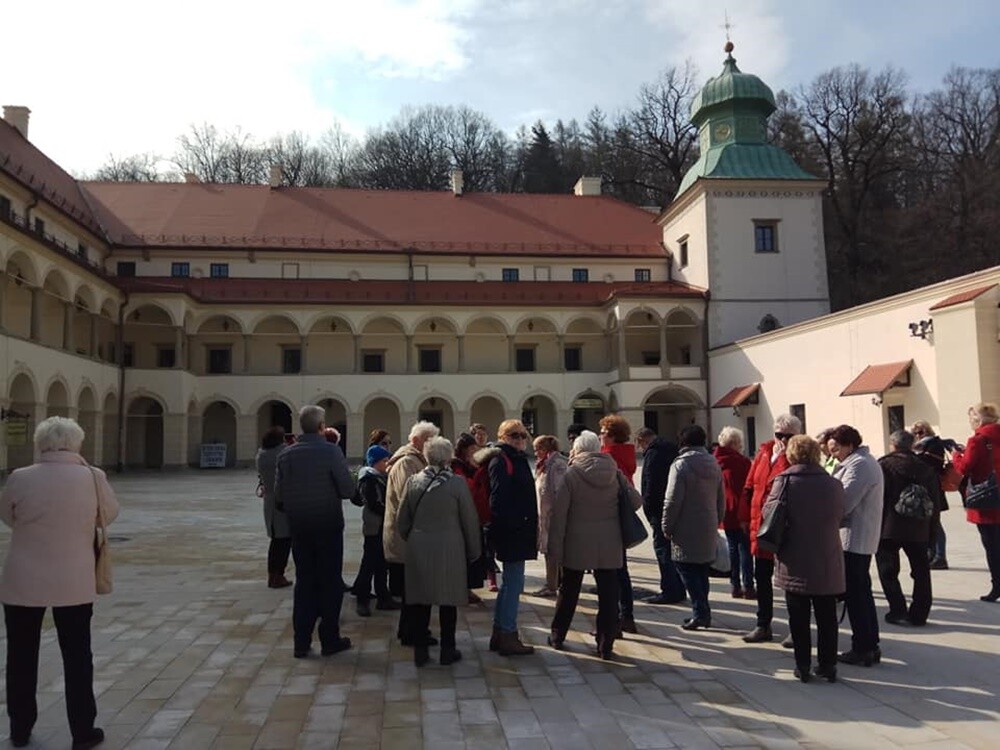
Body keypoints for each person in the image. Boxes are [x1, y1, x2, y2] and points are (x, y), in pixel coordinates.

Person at [0, 416, 119, 750]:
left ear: (41, 444)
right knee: (78, 655)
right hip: (74, 577)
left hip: (22, 578)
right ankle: (83, 731)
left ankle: (20, 728)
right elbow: (108, 515)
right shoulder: (92, 478)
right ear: (76, 443)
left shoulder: (20, 477)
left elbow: (8, 516)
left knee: (21, 655)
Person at [548, 430, 642, 659]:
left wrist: (554, 548)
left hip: (577, 541)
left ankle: (558, 635)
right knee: (609, 594)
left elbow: (559, 515)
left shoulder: (572, 474)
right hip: (610, 542)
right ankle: (605, 644)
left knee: (569, 591)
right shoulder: (614, 471)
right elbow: (636, 501)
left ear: (578, 450)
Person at [275, 405, 355, 659]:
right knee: (330, 582)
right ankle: (329, 639)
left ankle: (301, 642)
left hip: (299, 527)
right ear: (322, 427)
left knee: (305, 582)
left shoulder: (286, 455)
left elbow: (278, 498)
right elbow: (347, 490)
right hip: (328, 526)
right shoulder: (330, 451)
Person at [764, 435, 845, 683]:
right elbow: (841, 514)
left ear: (791, 455)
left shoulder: (785, 481)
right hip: (827, 555)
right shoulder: (833, 483)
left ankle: (803, 665)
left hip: (795, 555)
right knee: (827, 616)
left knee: (798, 616)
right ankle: (828, 664)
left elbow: (769, 512)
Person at [397, 437, 482, 667]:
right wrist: (474, 550)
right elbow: (469, 520)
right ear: (447, 458)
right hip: (450, 547)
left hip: (419, 546)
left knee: (420, 602)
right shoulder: (456, 484)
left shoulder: (414, 482)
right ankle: (448, 650)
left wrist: (415, 536)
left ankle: (421, 652)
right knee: (448, 601)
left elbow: (402, 521)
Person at [742, 413, 803, 643]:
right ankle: (763, 624)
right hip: (761, 525)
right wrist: (744, 517)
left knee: (790, 582)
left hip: (786, 528)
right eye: (780, 435)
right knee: (762, 578)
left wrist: (788, 456)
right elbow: (750, 485)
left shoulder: (798, 456)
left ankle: (796, 629)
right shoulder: (764, 452)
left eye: (789, 436)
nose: (784, 440)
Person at [828, 424, 884, 666]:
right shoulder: (859, 461)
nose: (833, 454)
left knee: (857, 595)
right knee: (861, 593)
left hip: (854, 538)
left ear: (849, 444)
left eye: (836, 449)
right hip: (856, 536)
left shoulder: (859, 465)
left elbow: (845, 502)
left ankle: (863, 647)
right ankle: (869, 644)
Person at [662, 425, 726, 631]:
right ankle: (702, 611)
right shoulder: (713, 462)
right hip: (707, 522)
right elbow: (720, 496)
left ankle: (700, 613)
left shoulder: (680, 465)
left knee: (686, 568)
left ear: (683, 442)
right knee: (701, 569)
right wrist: (717, 518)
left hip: (685, 525)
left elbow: (672, 500)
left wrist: (667, 525)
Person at [876, 430, 942, 627]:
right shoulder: (925, 467)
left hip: (889, 526)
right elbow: (935, 501)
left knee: (888, 570)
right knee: (921, 571)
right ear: (912, 445)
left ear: (893, 445)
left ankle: (897, 609)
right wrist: (932, 531)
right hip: (919, 527)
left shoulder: (884, 465)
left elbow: (878, 498)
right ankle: (920, 613)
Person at [384, 421, 441, 645]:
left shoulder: (415, 460)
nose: (431, 444)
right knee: (416, 589)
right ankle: (412, 632)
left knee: (414, 589)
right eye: (428, 440)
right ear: (416, 440)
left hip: (416, 534)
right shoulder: (406, 462)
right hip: (409, 536)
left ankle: (411, 629)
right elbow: (409, 498)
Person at [487, 419, 538, 656]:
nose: (519, 439)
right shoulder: (502, 460)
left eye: (522, 435)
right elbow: (498, 500)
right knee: (514, 584)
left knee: (510, 584)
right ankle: (508, 633)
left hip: (518, 530)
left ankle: (500, 632)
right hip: (513, 532)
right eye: (513, 435)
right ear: (503, 437)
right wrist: (514, 526)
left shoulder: (514, 459)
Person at [950, 402, 1000, 602]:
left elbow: (964, 467)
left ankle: (997, 585)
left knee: (992, 545)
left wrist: (956, 456)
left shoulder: (978, 440)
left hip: (987, 499)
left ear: (978, 420)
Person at [636, 427, 685, 604]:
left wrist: (648, 509)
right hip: (676, 507)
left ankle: (669, 590)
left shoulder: (653, 454)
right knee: (675, 551)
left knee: (663, 551)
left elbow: (650, 484)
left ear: (643, 440)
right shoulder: (672, 449)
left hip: (658, 509)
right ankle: (679, 589)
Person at [350, 444, 400, 617]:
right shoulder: (369, 478)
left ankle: (383, 597)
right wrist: (391, 512)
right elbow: (372, 503)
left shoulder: (379, 476)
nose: (387, 464)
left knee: (381, 564)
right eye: (384, 461)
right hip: (374, 526)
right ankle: (362, 600)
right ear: (375, 462)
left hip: (381, 525)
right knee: (369, 564)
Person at [599, 414, 638, 634]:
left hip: (609, 519)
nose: (601, 436)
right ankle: (627, 616)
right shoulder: (626, 455)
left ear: (613, 436)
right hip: (621, 518)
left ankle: (613, 620)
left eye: (604, 432)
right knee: (621, 570)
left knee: (610, 573)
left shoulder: (609, 457)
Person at [714, 427, 753, 598]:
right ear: (735, 443)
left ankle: (734, 585)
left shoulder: (716, 460)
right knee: (745, 549)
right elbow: (749, 487)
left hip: (726, 508)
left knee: (732, 548)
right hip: (742, 508)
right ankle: (749, 586)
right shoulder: (743, 462)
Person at [452, 433, 489, 603]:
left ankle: (467, 588)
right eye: (472, 449)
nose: (476, 451)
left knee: (474, 553)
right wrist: (480, 473)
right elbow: (468, 489)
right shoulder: (456, 466)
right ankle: (463, 590)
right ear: (464, 450)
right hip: (463, 519)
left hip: (476, 517)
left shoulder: (468, 465)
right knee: (465, 555)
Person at [256, 426, 293, 589]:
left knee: (276, 541)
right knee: (284, 541)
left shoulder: (261, 454)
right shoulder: (283, 452)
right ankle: (279, 575)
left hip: (269, 500)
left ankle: (273, 575)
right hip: (282, 500)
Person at [532, 435, 568, 597]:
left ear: (546, 449)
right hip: (546, 516)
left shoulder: (558, 464)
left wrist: (557, 515)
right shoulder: (545, 464)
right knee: (550, 552)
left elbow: (560, 492)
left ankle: (554, 585)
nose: (535, 453)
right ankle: (553, 584)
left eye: (537, 449)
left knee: (554, 552)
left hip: (554, 517)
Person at [913, 431, 952, 569]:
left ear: (927, 431)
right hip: (927, 489)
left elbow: (931, 464)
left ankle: (940, 556)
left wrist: (917, 455)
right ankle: (932, 553)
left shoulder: (933, 444)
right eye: (915, 432)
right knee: (928, 523)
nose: (917, 434)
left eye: (920, 431)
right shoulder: (922, 445)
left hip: (932, 489)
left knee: (935, 524)